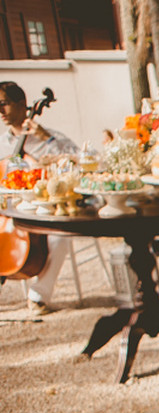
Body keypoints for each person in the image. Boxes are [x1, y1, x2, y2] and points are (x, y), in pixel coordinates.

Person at [0, 81, 78, 315]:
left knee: (59, 239)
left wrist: (45, 138)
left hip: (43, 208)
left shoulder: (50, 138)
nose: (0, 111)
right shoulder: (2, 143)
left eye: (3, 104)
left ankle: (38, 296)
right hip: (9, 209)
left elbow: (76, 162)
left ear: (22, 104)